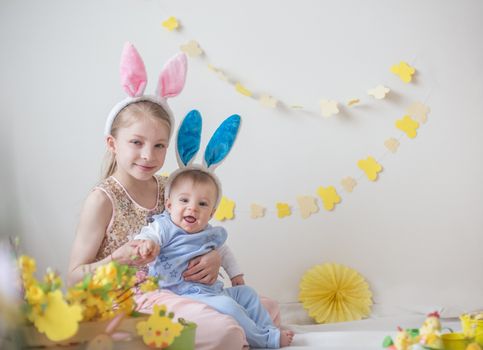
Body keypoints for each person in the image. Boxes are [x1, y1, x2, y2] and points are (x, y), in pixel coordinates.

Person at [67, 43, 280, 350]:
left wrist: (214, 257)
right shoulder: (103, 199)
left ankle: (238, 331)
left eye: (159, 145)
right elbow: (74, 278)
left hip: (183, 289)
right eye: (136, 142)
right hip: (131, 301)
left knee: (266, 308)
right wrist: (117, 259)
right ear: (112, 143)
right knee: (228, 331)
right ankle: (233, 336)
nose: (147, 155)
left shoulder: (171, 187)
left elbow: (201, 233)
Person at [135, 169, 294, 348]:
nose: (192, 208)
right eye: (184, 200)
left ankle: (267, 331)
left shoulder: (210, 233)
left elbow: (224, 253)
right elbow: (149, 235)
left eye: (202, 204)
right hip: (183, 294)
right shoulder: (164, 227)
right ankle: (266, 340)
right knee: (229, 306)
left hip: (211, 291)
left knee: (248, 294)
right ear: (169, 205)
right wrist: (147, 243)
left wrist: (236, 275)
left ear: (211, 213)